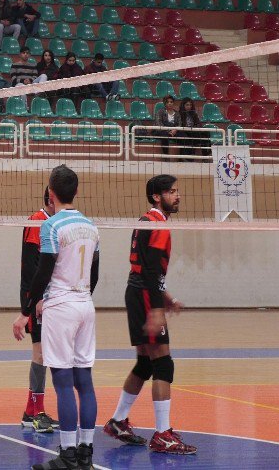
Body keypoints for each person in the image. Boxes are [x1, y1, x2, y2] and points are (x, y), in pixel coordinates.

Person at [13, 165, 100, 470]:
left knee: (63, 382)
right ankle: (86, 453)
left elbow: (43, 270)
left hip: (60, 308)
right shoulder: (92, 226)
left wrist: (28, 308)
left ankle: (68, 455)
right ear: (76, 192)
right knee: (85, 382)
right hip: (86, 304)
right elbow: (95, 273)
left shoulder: (50, 226)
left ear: (51, 192)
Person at [103, 175, 197, 455]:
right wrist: (157, 308)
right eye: (171, 192)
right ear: (157, 197)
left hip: (137, 291)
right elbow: (152, 269)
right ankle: (163, 434)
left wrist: (166, 297)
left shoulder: (146, 221)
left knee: (145, 363)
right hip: (144, 295)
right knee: (163, 364)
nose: (177, 196)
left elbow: (143, 266)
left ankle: (118, 421)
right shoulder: (157, 224)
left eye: (177, 191)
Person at [18, 187, 60, 433]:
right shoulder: (38, 221)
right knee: (40, 354)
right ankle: (38, 412)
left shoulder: (54, 223)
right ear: (50, 199)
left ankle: (30, 412)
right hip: (36, 298)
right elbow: (31, 267)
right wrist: (33, 301)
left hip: (49, 297)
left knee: (44, 354)